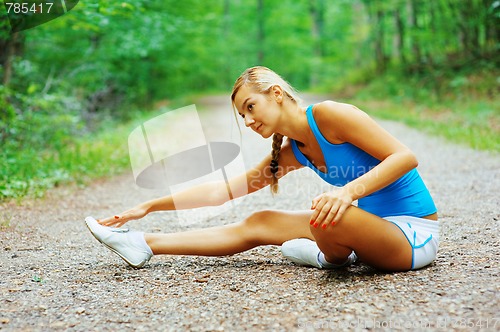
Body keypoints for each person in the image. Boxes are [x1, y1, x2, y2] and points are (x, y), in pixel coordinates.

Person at [85, 66, 439, 271]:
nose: (249, 120)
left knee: (328, 214)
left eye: (252, 107)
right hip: (372, 229)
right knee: (261, 221)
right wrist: (148, 207)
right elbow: (222, 191)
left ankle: (326, 256)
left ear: (277, 94)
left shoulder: (332, 115)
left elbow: (405, 156)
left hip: (412, 236)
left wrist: (347, 191)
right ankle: (144, 244)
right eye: (242, 115)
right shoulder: (292, 152)